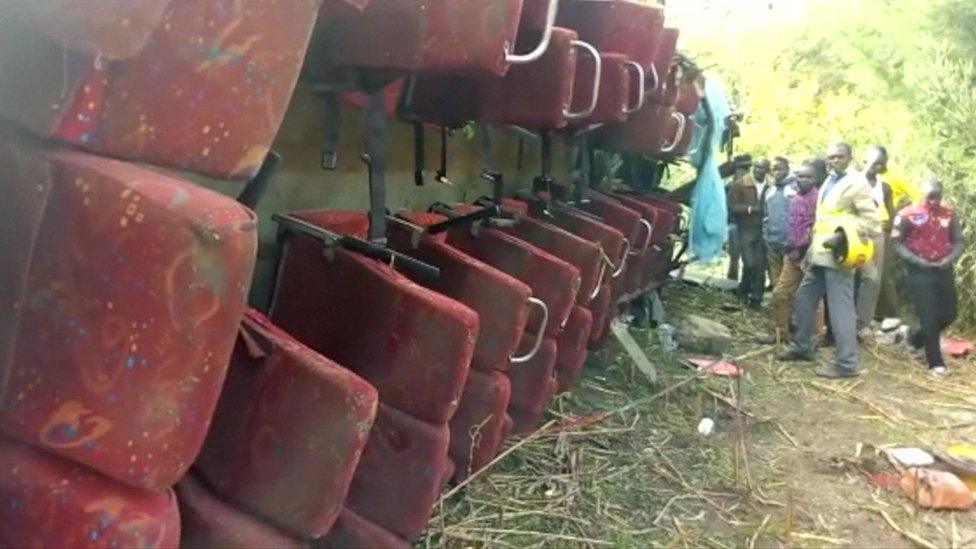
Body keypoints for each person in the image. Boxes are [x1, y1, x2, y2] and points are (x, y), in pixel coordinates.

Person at [779, 142, 880, 378]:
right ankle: (803, 346)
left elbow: (873, 223)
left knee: (840, 309)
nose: (834, 161)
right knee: (804, 298)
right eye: (830, 158)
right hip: (819, 254)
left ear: (850, 158)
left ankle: (847, 363)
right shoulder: (828, 181)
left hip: (840, 255)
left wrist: (841, 234)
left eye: (839, 157)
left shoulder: (858, 182)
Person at [891, 179, 964, 375]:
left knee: (949, 313)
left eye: (937, 197)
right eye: (930, 197)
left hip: (943, 268)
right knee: (928, 315)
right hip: (919, 271)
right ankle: (935, 362)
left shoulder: (948, 212)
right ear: (921, 195)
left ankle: (914, 338)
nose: (934, 201)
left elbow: (958, 240)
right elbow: (896, 243)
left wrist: (949, 258)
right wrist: (916, 260)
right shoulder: (907, 214)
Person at [768, 158, 824, 342]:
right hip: (791, 253)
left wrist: (801, 248)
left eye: (808, 177)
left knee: (813, 299)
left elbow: (815, 227)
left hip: (809, 254)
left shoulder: (818, 199)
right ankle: (779, 334)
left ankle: (814, 338)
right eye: (799, 176)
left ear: (815, 179)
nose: (803, 180)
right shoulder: (795, 197)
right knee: (780, 293)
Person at [855, 147, 896, 335]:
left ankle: (866, 319)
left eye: (879, 162)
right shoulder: (853, 181)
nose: (874, 165)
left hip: (878, 235)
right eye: (871, 160)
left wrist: (889, 226)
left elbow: (890, 211)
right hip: (854, 234)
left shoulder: (884, 186)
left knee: (874, 277)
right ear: (864, 159)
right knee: (853, 275)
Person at [728, 158, 768, 308]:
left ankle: (756, 298)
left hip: (763, 229)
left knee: (760, 265)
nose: (759, 170)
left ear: (767, 170)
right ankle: (743, 291)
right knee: (749, 263)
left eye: (762, 168)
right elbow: (732, 206)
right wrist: (751, 209)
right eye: (756, 167)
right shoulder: (741, 184)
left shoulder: (770, 185)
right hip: (745, 228)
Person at [763, 157, 794, 289]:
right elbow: (765, 214)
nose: (776, 172)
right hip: (772, 241)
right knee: (775, 277)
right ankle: (777, 308)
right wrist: (765, 234)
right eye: (773, 169)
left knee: (788, 281)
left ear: (787, 169)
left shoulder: (795, 188)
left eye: (779, 168)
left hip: (790, 243)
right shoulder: (770, 190)